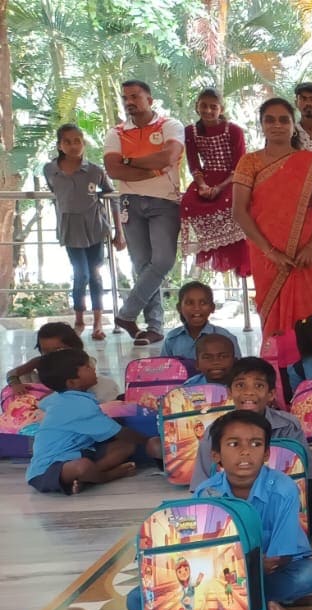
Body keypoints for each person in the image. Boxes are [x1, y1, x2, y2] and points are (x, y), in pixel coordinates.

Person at [129, 410, 312, 610]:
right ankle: (258, 599)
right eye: (233, 444)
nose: (245, 452)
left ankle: (238, 600)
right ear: (216, 455)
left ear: (266, 453)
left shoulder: (283, 489)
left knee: (311, 575)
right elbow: (200, 549)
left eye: (256, 444)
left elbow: (280, 558)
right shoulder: (207, 493)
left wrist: (246, 568)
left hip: (270, 571)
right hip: (220, 575)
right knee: (136, 600)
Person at [232, 98, 312, 338]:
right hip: (267, 254)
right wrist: (270, 252)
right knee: (274, 317)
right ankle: (278, 360)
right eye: (269, 120)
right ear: (261, 125)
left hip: (307, 255)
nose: (277, 125)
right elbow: (239, 211)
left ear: (294, 126)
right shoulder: (249, 162)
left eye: (284, 120)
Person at [105, 79, 186, 346]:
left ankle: (127, 314)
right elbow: (113, 169)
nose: (129, 102)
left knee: (162, 261)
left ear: (149, 100)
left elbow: (168, 157)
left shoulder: (170, 125)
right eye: (125, 97)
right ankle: (154, 327)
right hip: (130, 203)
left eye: (135, 97)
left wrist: (129, 161)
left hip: (165, 201)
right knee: (142, 265)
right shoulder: (116, 133)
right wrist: (150, 170)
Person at [25, 349, 155, 494]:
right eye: (87, 367)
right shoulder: (78, 405)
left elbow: (43, 403)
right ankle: (105, 476)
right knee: (83, 466)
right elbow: (119, 432)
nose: (93, 368)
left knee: (126, 446)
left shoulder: (60, 396)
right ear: (72, 382)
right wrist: (148, 441)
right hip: (49, 468)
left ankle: (87, 477)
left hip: (82, 452)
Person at [188, 358, 312, 503]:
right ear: (229, 392)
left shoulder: (288, 426)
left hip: (281, 496)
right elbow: (201, 484)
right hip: (230, 501)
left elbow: (307, 474)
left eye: (258, 386)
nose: (249, 392)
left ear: (271, 394)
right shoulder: (214, 431)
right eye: (240, 385)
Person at [44, 123, 118, 341]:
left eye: (77, 141)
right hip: (70, 229)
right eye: (67, 142)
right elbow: (56, 193)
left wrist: (119, 232)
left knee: (95, 275)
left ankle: (98, 322)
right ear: (60, 145)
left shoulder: (94, 170)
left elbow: (112, 197)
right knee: (81, 274)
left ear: (83, 143)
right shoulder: (50, 170)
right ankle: (78, 320)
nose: (73, 145)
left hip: (94, 228)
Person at [180, 88, 250, 277]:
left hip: (231, 179)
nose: (208, 111)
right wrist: (202, 185)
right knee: (188, 203)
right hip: (206, 179)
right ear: (197, 106)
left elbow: (240, 166)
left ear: (221, 109)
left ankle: (236, 252)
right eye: (204, 106)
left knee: (232, 203)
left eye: (213, 107)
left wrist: (220, 187)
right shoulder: (190, 131)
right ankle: (210, 244)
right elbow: (194, 164)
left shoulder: (234, 130)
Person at [6, 323, 121, 402]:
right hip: (44, 396)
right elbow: (12, 373)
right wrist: (15, 385)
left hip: (76, 395)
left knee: (105, 385)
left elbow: (82, 385)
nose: (53, 355)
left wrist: (52, 397)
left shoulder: (85, 361)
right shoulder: (40, 361)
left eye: (58, 350)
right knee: (24, 376)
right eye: (46, 351)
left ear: (74, 347)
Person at [161, 281, 241, 360]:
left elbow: (238, 367)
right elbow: (163, 366)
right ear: (179, 308)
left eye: (203, 303)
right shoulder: (171, 339)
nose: (197, 308)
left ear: (212, 307)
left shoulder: (226, 338)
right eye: (190, 303)